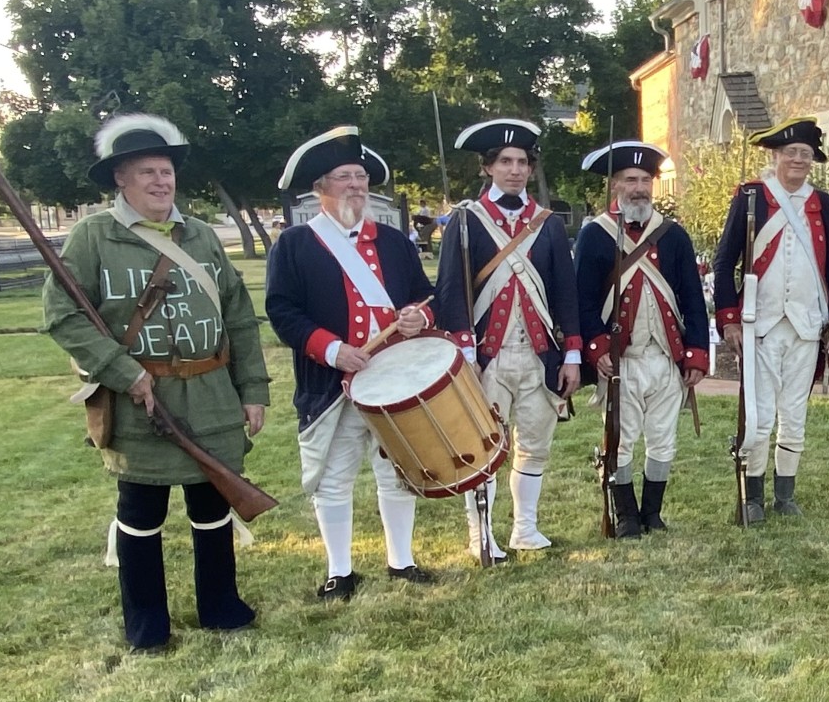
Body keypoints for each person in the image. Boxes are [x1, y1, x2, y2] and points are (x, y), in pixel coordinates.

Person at [42, 114, 268, 651]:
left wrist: (253, 387)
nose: (160, 182)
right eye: (146, 172)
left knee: (211, 506)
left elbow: (237, 314)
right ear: (120, 178)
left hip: (211, 390)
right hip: (139, 397)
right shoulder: (93, 237)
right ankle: (146, 625)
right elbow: (63, 315)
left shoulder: (202, 236)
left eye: (165, 171)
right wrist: (124, 372)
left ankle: (221, 607)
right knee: (141, 511)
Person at [265, 127, 438, 599]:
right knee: (334, 477)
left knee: (398, 471)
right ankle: (339, 570)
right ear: (321, 188)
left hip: (392, 379)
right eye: (346, 177)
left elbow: (426, 297)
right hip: (331, 382)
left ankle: (401, 561)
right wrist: (331, 349)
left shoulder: (394, 242)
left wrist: (417, 316)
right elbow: (282, 311)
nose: (357, 185)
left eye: (362, 177)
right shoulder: (296, 244)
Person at [433, 118, 582, 559]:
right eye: (506, 162)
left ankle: (526, 529)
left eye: (522, 162)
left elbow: (564, 292)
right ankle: (481, 535)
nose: (515, 170)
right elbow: (451, 292)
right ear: (488, 168)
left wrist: (572, 352)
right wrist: (465, 354)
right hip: (487, 356)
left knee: (534, 445)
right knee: (482, 448)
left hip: (539, 355)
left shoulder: (548, 223)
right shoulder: (465, 221)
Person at [711, 118, 829, 521]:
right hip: (761, 323)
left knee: (795, 415)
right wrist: (730, 319)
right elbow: (724, 263)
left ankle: (785, 496)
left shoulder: (821, 202)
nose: (798, 160)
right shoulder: (753, 196)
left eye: (805, 154)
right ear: (776, 156)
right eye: (791, 153)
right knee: (757, 417)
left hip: (806, 325)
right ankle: (751, 496)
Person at [575, 140, 709, 538]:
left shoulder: (673, 235)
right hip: (622, 359)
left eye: (646, 180)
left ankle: (653, 512)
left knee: (663, 438)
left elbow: (691, 297)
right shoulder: (595, 235)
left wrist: (697, 353)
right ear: (615, 185)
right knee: (621, 437)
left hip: (665, 356)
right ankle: (627, 514)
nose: (639, 188)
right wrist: (596, 346)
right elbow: (582, 299)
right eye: (630, 179)